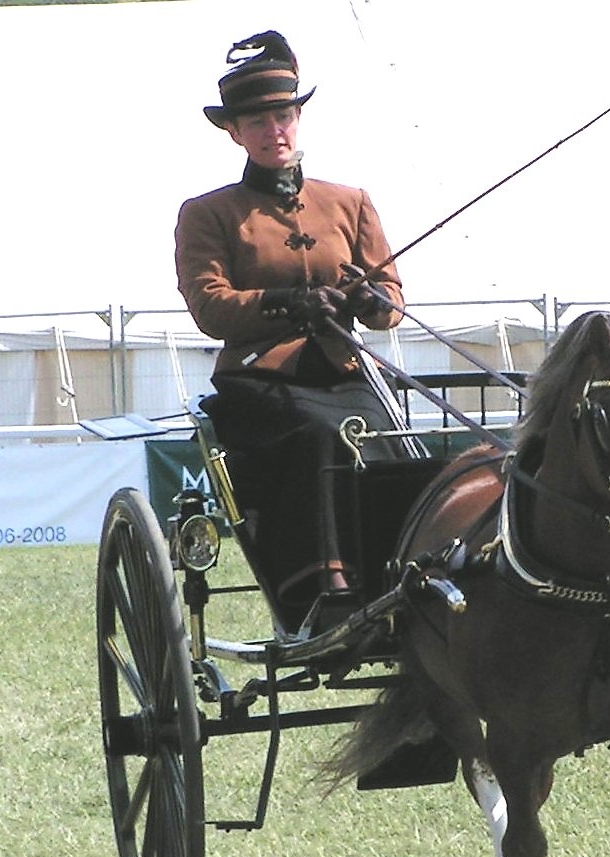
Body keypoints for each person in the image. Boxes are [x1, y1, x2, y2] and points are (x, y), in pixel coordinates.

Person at [175, 30, 408, 627]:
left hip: (344, 369)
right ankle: (322, 587)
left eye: (283, 115)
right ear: (234, 132)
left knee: (386, 436)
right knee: (317, 433)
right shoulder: (208, 214)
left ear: (298, 117)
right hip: (262, 382)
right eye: (257, 122)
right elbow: (210, 305)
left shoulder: (350, 202)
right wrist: (288, 303)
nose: (273, 130)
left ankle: (400, 575)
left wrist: (367, 296)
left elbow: (392, 303)